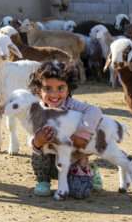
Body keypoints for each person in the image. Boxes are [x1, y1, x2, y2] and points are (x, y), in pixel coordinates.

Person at [28, 60, 103, 199]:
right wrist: (37, 142)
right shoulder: (38, 110)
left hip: (73, 158)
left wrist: (83, 132)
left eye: (60, 88)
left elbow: (94, 111)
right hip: (49, 162)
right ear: (39, 90)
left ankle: (91, 170)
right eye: (48, 89)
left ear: (68, 88)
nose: (54, 94)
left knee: (80, 193)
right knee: (37, 151)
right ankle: (43, 180)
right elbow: (31, 137)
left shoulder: (72, 105)